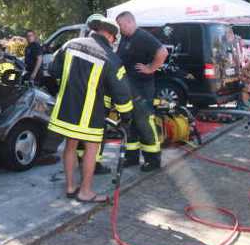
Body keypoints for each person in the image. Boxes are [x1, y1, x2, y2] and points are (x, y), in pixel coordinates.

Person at [48, 14, 133, 202]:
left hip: (66, 109)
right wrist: (126, 115)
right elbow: (121, 92)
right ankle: (85, 192)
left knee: (70, 145)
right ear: (111, 36)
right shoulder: (110, 57)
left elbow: (53, 70)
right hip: (90, 114)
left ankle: (70, 187)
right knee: (92, 149)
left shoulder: (70, 44)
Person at [115, 11, 168, 171]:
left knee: (144, 123)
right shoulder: (126, 38)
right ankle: (132, 157)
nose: (120, 29)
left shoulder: (142, 37)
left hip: (142, 89)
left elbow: (162, 52)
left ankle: (153, 159)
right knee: (130, 123)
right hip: (129, 88)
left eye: (121, 25)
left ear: (130, 22)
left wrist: (151, 68)